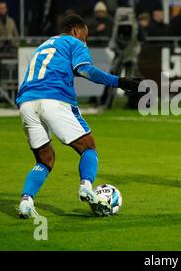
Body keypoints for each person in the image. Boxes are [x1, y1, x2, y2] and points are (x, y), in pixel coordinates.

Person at [16, 14, 140, 218]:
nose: (85, 40)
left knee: (45, 161)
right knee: (88, 147)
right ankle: (85, 186)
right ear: (75, 30)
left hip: (27, 103)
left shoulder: (45, 45)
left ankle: (26, 202)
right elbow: (85, 70)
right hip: (54, 100)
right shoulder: (74, 42)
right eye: (85, 35)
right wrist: (119, 81)